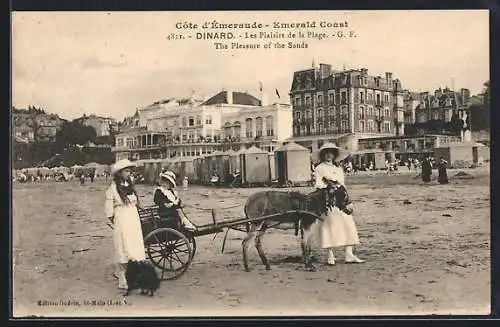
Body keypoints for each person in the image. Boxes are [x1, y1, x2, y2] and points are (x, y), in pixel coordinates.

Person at [313, 143, 364, 265]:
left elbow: (342, 185)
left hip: (340, 200)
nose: (328, 155)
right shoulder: (319, 168)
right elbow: (318, 184)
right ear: (322, 155)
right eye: (326, 153)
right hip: (327, 201)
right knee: (328, 225)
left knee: (348, 223)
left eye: (331, 153)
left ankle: (349, 254)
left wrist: (344, 196)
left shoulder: (338, 169)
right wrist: (329, 187)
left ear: (335, 155)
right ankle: (330, 255)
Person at [105, 159, 146, 290]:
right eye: (126, 171)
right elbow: (109, 210)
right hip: (121, 217)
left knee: (134, 245)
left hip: (133, 217)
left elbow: (136, 202)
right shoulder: (112, 188)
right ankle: (122, 279)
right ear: (119, 173)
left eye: (129, 171)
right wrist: (114, 221)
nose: (129, 173)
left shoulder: (130, 185)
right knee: (123, 246)